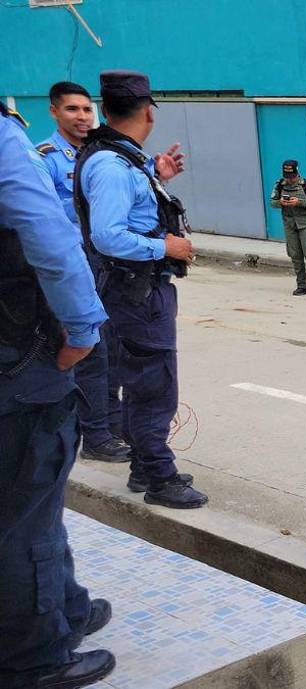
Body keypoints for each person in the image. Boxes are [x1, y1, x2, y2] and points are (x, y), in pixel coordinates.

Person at [0, 100, 116, 689]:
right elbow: (46, 234)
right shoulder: (7, 139)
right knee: (26, 508)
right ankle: (33, 658)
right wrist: (81, 328)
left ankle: (65, 606)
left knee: (30, 498)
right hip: (17, 357)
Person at [74, 70, 207, 508]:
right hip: (136, 293)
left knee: (140, 380)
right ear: (149, 112)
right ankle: (160, 479)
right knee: (154, 385)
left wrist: (159, 180)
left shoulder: (121, 158)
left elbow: (124, 217)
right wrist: (166, 244)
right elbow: (108, 235)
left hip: (135, 291)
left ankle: (142, 467)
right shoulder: (111, 165)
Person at [37, 81, 130, 462]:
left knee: (114, 348)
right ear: (54, 112)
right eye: (72, 109)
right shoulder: (44, 158)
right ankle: (94, 435)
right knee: (89, 348)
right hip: (74, 265)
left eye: (87, 109)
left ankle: (110, 421)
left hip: (106, 263)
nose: (82, 117)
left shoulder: (100, 155)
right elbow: (43, 222)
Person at [269, 159, 306, 297]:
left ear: (297, 173)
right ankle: (301, 286)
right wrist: (280, 202)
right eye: (287, 177)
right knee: (295, 256)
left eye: (292, 177)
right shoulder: (279, 185)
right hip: (290, 224)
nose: (289, 180)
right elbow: (272, 202)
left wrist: (299, 202)